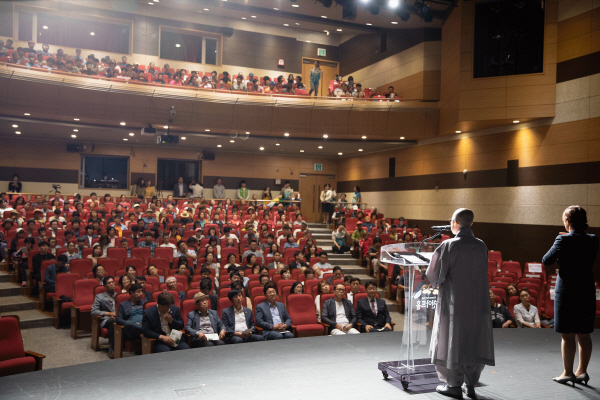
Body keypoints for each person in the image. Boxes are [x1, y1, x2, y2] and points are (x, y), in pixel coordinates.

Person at [426, 208, 494, 399]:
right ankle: (471, 384)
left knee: (451, 340)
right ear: (472, 223)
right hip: (477, 304)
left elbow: (434, 275)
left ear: (454, 222)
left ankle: (453, 384)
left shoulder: (449, 245)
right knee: (473, 340)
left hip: (454, 303)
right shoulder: (481, 245)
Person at [542, 205, 598, 386]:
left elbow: (546, 260)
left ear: (567, 222)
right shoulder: (593, 239)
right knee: (585, 334)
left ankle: (567, 372)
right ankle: (582, 372)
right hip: (587, 291)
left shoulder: (562, 240)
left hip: (567, 292)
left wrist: (560, 240)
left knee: (567, 335)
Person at [91, 276, 117, 358]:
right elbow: (93, 311)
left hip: (118, 317)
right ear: (105, 286)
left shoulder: (119, 295)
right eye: (109, 283)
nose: (112, 284)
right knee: (113, 322)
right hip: (106, 320)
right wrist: (108, 314)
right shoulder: (99, 296)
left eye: (113, 282)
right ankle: (112, 348)